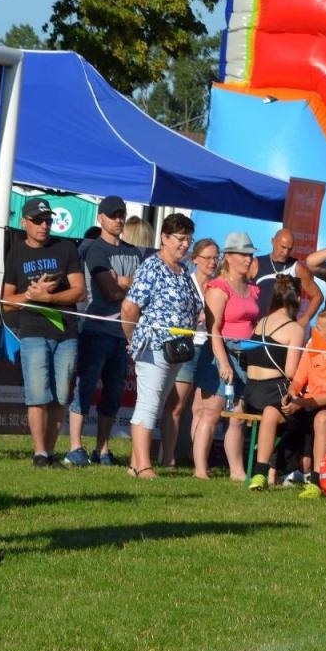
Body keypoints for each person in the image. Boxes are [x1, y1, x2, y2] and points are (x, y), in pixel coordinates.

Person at [2, 195, 85, 468]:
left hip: (66, 332)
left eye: (48, 220)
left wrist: (49, 298)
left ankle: (50, 452)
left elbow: (79, 290)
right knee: (38, 393)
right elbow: (7, 302)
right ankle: (39, 453)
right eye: (38, 221)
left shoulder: (66, 248)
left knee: (61, 394)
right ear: (24, 222)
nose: (44, 225)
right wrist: (32, 294)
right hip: (33, 330)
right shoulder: (15, 253)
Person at [120, 213, 205, 479]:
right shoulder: (151, 267)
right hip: (153, 347)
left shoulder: (184, 272)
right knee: (147, 404)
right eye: (180, 239)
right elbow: (129, 308)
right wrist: (132, 338)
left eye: (188, 239)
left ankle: (135, 465)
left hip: (178, 349)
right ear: (164, 238)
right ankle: (145, 466)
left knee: (156, 406)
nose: (184, 244)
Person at [68, 195, 141, 466]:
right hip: (96, 327)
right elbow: (109, 291)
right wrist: (128, 284)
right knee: (85, 387)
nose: (118, 219)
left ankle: (103, 448)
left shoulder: (134, 251)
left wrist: (123, 280)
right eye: (112, 215)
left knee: (113, 393)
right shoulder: (95, 249)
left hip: (123, 333)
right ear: (100, 218)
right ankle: (75, 446)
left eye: (121, 214)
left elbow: (141, 291)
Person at [251, 308, 326, 490]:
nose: (314, 328)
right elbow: (299, 380)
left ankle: (316, 483)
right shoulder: (312, 349)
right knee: (270, 411)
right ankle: (260, 473)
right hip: (306, 403)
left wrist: (302, 403)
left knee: (322, 419)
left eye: (319, 326)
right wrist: (291, 394)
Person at [189, 232, 260, 481]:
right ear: (229, 257)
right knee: (211, 411)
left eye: (250, 254)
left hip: (245, 356)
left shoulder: (253, 289)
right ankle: (200, 468)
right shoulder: (218, 287)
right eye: (243, 254)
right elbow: (213, 328)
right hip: (221, 352)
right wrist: (223, 362)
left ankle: (237, 470)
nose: (248, 259)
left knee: (238, 415)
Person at [237, 275, 305, 483]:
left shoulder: (261, 322)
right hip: (272, 392)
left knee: (272, 413)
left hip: (250, 393)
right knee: (302, 415)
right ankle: (273, 469)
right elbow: (291, 371)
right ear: (298, 300)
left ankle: (271, 470)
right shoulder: (295, 329)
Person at [161, 238, 218, 469]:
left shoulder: (218, 285)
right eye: (207, 258)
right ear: (195, 259)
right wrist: (197, 316)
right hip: (188, 346)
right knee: (176, 406)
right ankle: (167, 458)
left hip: (211, 348)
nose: (212, 262)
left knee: (202, 408)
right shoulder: (188, 282)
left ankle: (198, 461)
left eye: (216, 257)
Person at [253, 227, 319, 326]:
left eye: (289, 249)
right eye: (283, 247)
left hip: (285, 329)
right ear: (273, 242)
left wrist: (305, 318)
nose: (286, 253)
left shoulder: (297, 268)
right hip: (259, 326)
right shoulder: (256, 263)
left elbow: (317, 296)